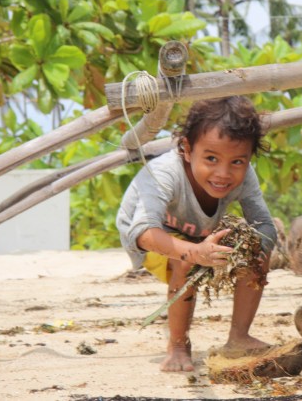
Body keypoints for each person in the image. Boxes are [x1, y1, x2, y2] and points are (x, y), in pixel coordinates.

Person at [116, 96, 277, 372]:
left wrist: (258, 248)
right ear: (187, 150)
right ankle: (178, 346)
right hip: (153, 239)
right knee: (186, 263)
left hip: (200, 236)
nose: (223, 173)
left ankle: (238, 337)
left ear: (249, 157)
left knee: (257, 249)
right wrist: (196, 252)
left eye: (237, 161)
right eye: (211, 158)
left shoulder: (245, 173)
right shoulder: (165, 173)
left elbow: (264, 224)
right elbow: (143, 233)